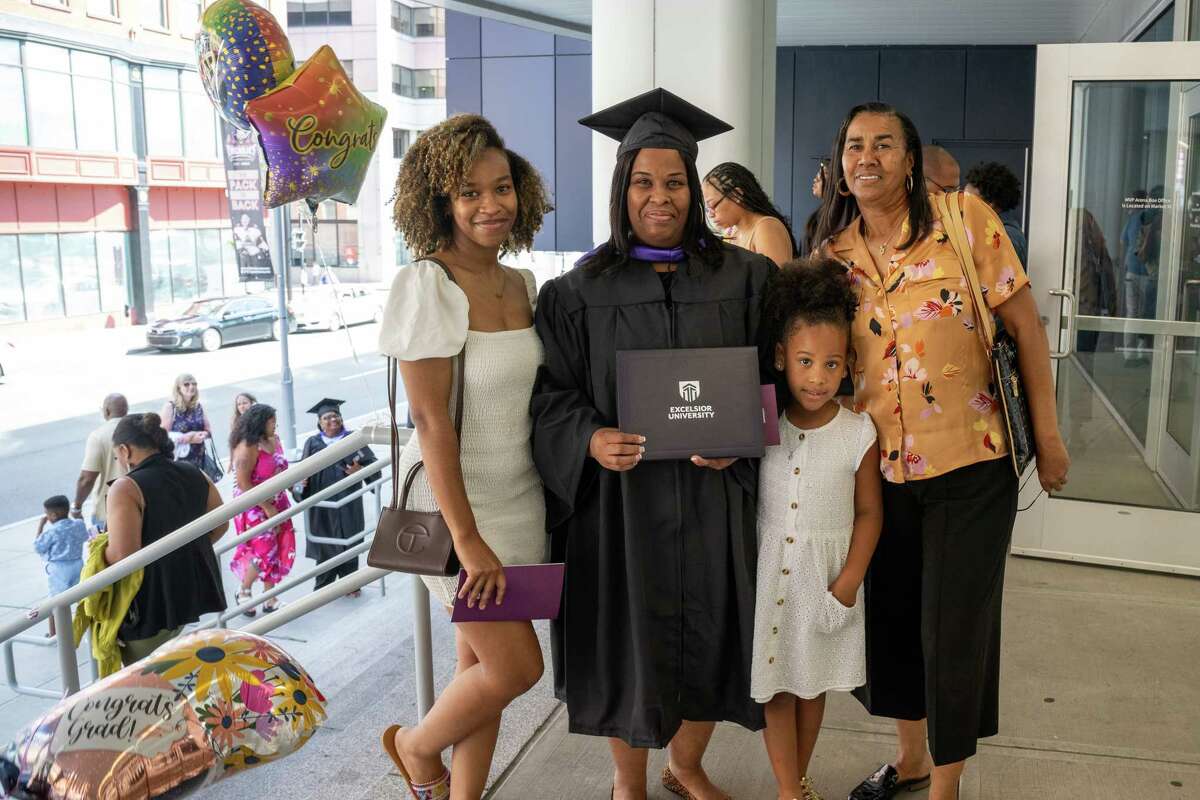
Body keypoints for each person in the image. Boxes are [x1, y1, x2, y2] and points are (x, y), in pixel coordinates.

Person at [812, 102, 1070, 800]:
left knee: (954, 628)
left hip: (971, 465)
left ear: (909, 155)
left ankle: (947, 783)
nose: (867, 157)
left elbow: (1027, 329)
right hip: (877, 474)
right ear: (839, 163)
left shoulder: (964, 222)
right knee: (891, 622)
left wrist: (1046, 436)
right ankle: (911, 759)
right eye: (854, 145)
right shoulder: (833, 254)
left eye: (884, 144)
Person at [531, 88, 775, 800]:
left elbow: (781, 379)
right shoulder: (577, 292)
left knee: (719, 633)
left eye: (674, 183)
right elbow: (550, 397)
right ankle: (626, 782)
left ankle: (687, 762)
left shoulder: (747, 278)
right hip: (622, 505)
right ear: (622, 188)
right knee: (622, 641)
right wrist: (588, 436)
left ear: (694, 193)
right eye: (643, 182)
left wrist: (744, 432)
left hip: (713, 498)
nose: (659, 197)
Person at [378, 113, 553, 800]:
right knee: (516, 669)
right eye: (470, 193)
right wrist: (467, 539)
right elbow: (430, 421)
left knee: (478, 671)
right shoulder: (428, 285)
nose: (490, 205)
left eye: (501, 187)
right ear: (440, 202)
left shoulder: (523, 285)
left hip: (519, 499)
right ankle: (415, 748)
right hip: (461, 514)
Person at [752, 259, 883, 800]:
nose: (817, 377)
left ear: (847, 364)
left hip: (825, 582)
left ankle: (795, 782)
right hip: (771, 581)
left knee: (811, 685)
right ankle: (790, 789)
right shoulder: (763, 424)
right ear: (782, 358)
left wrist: (848, 583)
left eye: (831, 364)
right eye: (805, 362)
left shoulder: (858, 433)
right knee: (775, 689)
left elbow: (870, 514)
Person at [104, 413, 227, 665]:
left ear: (125, 451)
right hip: (191, 593)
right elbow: (221, 523)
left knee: (147, 684)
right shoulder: (194, 472)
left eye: (117, 456)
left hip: (150, 605)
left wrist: (97, 552)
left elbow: (122, 556)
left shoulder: (125, 487)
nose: (118, 460)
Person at [293, 398, 378, 595]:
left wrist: (361, 470)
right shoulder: (312, 443)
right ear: (319, 422)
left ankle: (351, 585)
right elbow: (300, 475)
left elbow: (374, 470)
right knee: (325, 545)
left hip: (348, 503)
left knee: (350, 541)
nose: (332, 419)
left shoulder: (354, 439)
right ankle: (324, 589)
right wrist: (300, 486)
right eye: (326, 417)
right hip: (322, 505)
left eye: (335, 415)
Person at [228, 403, 296, 616]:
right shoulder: (247, 446)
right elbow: (243, 483)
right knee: (264, 550)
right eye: (271, 421)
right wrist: (266, 507)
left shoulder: (274, 440)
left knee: (277, 547)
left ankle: (270, 598)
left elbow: (281, 466)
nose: (275, 425)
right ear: (260, 423)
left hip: (278, 501)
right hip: (254, 505)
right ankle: (244, 590)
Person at [702, 161, 798, 266]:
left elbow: (776, 280)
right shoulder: (731, 232)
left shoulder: (766, 228)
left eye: (712, 206)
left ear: (736, 195)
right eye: (707, 209)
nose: (710, 214)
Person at [35, 495, 89, 638]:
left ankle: (54, 634)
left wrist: (41, 525)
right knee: (82, 597)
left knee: (55, 602)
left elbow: (38, 547)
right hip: (78, 564)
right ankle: (89, 625)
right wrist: (79, 516)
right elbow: (84, 535)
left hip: (59, 569)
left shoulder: (51, 531)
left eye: (46, 514)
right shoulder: (78, 525)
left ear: (53, 515)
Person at [72, 393, 128, 530]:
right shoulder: (138, 429)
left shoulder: (99, 436)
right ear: (126, 410)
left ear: (106, 411)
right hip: (139, 504)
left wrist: (77, 506)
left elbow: (86, 479)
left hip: (108, 511)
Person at [964, 161, 1027, 268]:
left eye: (968, 199)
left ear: (990, 204)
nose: (962, 202)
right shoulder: (996, 228)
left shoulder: (1006, 236)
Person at [161, 373, 212, 472]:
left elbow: (208, 431)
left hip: (199, 458)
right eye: (186, 384)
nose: (191, 386)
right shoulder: (170, 407)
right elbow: (162, 436)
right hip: (179, 459)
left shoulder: (198, 407)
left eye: (194, 384)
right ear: (178, 388)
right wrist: (189, 437)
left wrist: (202, 435)